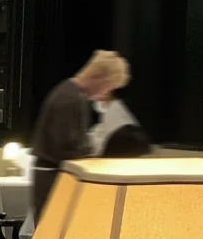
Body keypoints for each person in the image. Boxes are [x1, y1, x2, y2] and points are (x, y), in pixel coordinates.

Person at [29, 49, 131, 218]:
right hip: (53, 181)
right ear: (98, 76)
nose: (106, 94)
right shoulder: (69, 99)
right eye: (109, 86)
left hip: (55, 177)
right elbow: (67, 148)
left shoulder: (73, 95)